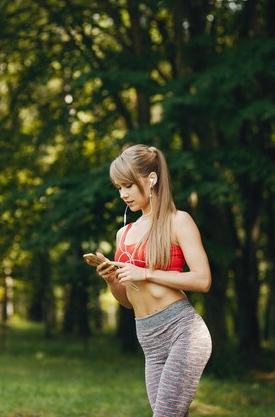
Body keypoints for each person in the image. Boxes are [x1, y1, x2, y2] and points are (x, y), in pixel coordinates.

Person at [94, 144, 212, 417]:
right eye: (118, 187)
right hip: (149, 340)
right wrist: (112, 281)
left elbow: (203, 280)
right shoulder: (123, 234)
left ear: (152, 180)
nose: (123, 194)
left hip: (182, 333)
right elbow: (127, 302)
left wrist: (144, 272)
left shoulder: (178, 221)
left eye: (128, 186)